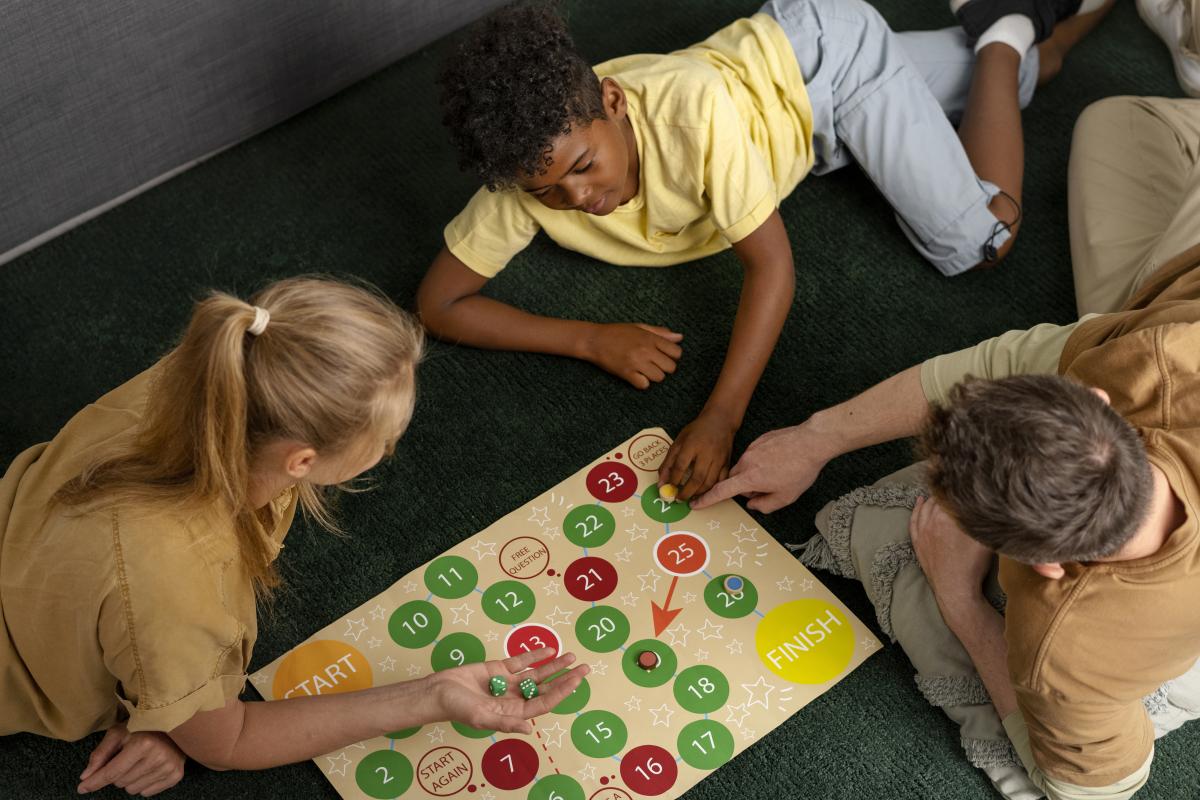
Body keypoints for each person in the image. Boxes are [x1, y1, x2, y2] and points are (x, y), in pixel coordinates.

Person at [694, 94, 1200, 799]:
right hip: (1171, 289)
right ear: (1097, 401)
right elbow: (1004, 360)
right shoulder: (1163, 350)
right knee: (1118, 122)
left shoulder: (1072, 651)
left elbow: (1095, 792)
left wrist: (961, 599)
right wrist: (820, 436)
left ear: (1046, 564)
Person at [416, 0, 1113, 504]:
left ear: (613, 99)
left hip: (828, 62)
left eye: (583, 166)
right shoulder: (524, 173)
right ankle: (1033, 25)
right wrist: (590, 339)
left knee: (980, 239)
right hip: (797, 97)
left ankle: (1004, 24)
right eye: (548, 194)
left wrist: (721, 416)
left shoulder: (696, 113)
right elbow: (440, 302)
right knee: (1023, 79)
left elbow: (772, 266)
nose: (578, 198)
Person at [0, 277, 587, 796]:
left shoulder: (217, 373)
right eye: (384, 440)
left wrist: (167, 707)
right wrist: (180, 716)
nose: (388, 450)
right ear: (301, 460)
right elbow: (227, 741)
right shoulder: (178, 589)